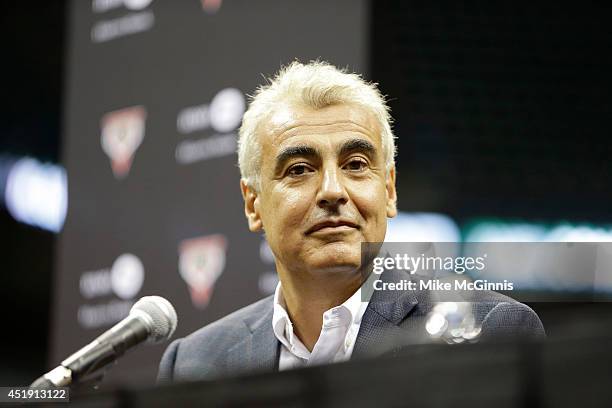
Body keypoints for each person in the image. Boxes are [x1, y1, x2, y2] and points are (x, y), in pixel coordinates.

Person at [158, 61, 544, 383]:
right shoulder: (193, 364)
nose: (332, 191)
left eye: (356, 165)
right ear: (253, 203)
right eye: (299, 169)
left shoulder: (492, 333)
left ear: (388, 190)